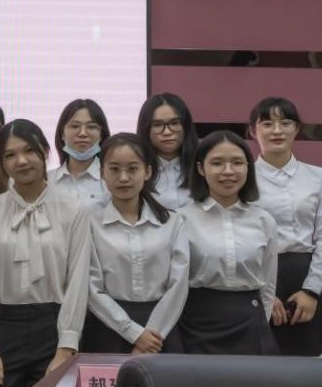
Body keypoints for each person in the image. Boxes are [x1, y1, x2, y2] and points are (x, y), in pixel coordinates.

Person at [0, 119, 90, 387]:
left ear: (45, 152)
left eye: (29, 151)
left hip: (54, 327)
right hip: (2, 328)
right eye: (10, 155)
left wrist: (66, 348)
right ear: (2, 163)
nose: (21, 161)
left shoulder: (73, 208)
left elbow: (78, 281)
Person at [80, 133, 188, 355]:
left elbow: (178, 285)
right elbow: (91, 286)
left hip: (162, 330)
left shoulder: (172, 222)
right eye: (114, 169)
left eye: (132, 169)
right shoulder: (89, 222)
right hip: (108, 327)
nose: (123, 178)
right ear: (102, 173)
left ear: (147, 171)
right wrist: (134, 333)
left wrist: (152, 335)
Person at [250, 97, 322, 357]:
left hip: (304, 276)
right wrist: (263, 293)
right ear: (253, 131)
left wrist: (312, 290)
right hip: (257, 276)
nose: (277, 130)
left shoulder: (317, 176)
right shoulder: (244, 177)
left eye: (285, 123)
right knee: (258, 363)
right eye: (267, 123)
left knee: (304, 364)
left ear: (297, 129)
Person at [178, 130, 279, 355]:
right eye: (217, 163)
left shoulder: (263, 220)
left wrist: (261, 322)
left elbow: (268, 285)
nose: (228, 171)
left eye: (237, 163)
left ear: (248, 168)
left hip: (250, 325)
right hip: (196, 325)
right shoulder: (182, 219)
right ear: (201, 168)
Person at [137, 93, 199, 210]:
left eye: (174, 123)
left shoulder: (203, 165)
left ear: (185, 126)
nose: (167, 132)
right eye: (157, 125)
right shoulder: (136, 169)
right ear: (146, 129)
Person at [49, 99, 111, 206]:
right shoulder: (46, 182)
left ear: (102, 135)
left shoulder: (111, 180)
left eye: (91, 127)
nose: (82, 133)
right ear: (62, 134)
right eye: (75, 126)